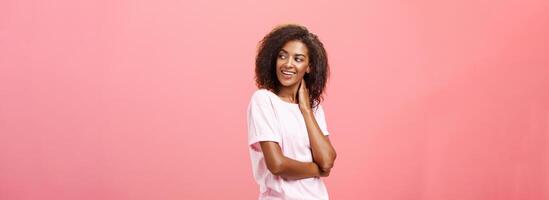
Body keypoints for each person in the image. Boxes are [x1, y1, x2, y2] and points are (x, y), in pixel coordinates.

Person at [247, 24, 337, 200]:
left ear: (309, 66)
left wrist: (305, 109)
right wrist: (318, 170)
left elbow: (327, 159)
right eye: (282, 56)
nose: (288, 64)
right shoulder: (264, 100)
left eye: (298, 59)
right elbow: (277, 165)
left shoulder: (313, 108)